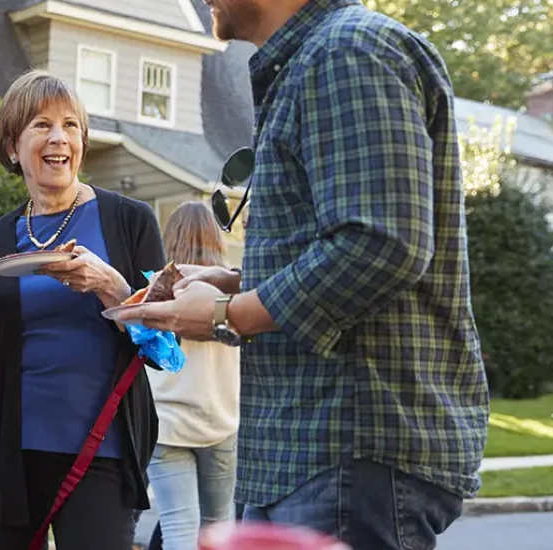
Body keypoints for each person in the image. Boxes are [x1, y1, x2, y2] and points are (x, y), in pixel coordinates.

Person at [116, 0, 490, 548]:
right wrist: (236, 282)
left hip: (349, 444)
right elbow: (342, 245)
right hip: (312, 455)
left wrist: (225, 316)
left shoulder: (345, 52)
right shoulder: (316, 61)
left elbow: (382, 243)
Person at [0, 70, 166, 550]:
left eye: (71, 125)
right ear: (12, 147)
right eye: (41, 125)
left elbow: (166, 346)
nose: (59, 137)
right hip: (8, 453)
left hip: (102, 451)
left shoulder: (130, 222)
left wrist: (112, 285)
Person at [144, 202, 239, 550]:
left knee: (179, 528)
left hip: (166, 423)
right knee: (219, 527)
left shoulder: (155, 287)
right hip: (221, 422)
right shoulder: (234, 291)